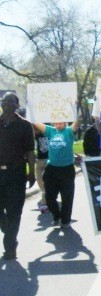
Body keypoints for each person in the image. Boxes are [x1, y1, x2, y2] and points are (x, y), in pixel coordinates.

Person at [0, 92, 36, 260]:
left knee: (14, 211)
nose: (7, 105)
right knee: (3, 216)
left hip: (16, 173)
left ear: (17, 105)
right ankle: (7, 229)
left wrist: (31, 172)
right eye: (4, 101)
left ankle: (10, 247)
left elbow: (30, 151)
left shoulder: (25, 126)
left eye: (11, 102)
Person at [33, 116, 80, 228]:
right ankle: (57, 216)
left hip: (67, 169)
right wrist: (31, 108)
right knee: (49, 197)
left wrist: (75, 109)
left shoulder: (68, 132)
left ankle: (65, 220)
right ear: (53, 124)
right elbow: (35, 121)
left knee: (67, 197)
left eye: (61, 123)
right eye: (56, 123)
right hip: (51, 169)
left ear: (65, 123)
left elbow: (76, 123)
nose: (58, 125)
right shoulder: (51, 131)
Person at [34, 128, 49, 213]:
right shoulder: (36, 135)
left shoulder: (51, 132)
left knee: (46, 181)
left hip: (50, 159)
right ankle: (46, 195)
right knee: (40, 181)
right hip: (40, 160)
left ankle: (45, 201)